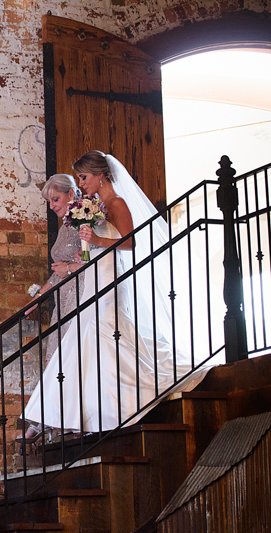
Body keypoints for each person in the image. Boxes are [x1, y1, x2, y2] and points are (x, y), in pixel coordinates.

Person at [21, 151, 193, 440]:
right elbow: (92, 248)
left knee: (105, 332)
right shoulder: (94, 205)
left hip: (111, 277)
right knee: (83, 341)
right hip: (95, 276)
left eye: (83, 177)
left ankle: (112, 407)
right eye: (78, 178)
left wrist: (96, 240)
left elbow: (130, 241)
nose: (81, 183)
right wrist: (82, 256)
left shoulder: (116, 203)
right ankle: (75, 416)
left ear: (100, 175)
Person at [27, 174, 84, 361]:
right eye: (49, 201)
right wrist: (38, 297)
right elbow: (58, 271)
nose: (51, 206)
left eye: (55, 199)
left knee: (72, 351)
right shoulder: (65, 226)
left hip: (80, 293)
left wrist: (69, 269)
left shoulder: (84, 220)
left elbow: (95, 257)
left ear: (70, 193)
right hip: (64, 295)